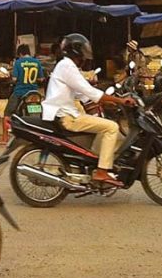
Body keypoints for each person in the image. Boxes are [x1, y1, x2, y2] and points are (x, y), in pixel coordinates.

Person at [42, 33, 136, 187]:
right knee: (112, 127)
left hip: (66, 113)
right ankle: (102, 171)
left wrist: (108, 101)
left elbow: (83, 95)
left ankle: (96, 159)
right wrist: (119, 100)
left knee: (104, 124)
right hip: (67, 116)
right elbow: (90, 92)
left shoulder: (66, 66)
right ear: (76, 51)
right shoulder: (67, 66)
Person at [0, 44, 45, 146]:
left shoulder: (18, 62)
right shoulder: (37, 62)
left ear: (20, 53)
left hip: (20, 92)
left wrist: (10, 75)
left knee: (7, 114)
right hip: (33, 94)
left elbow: (14, 79)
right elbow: (41, 79)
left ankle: (5, 139)